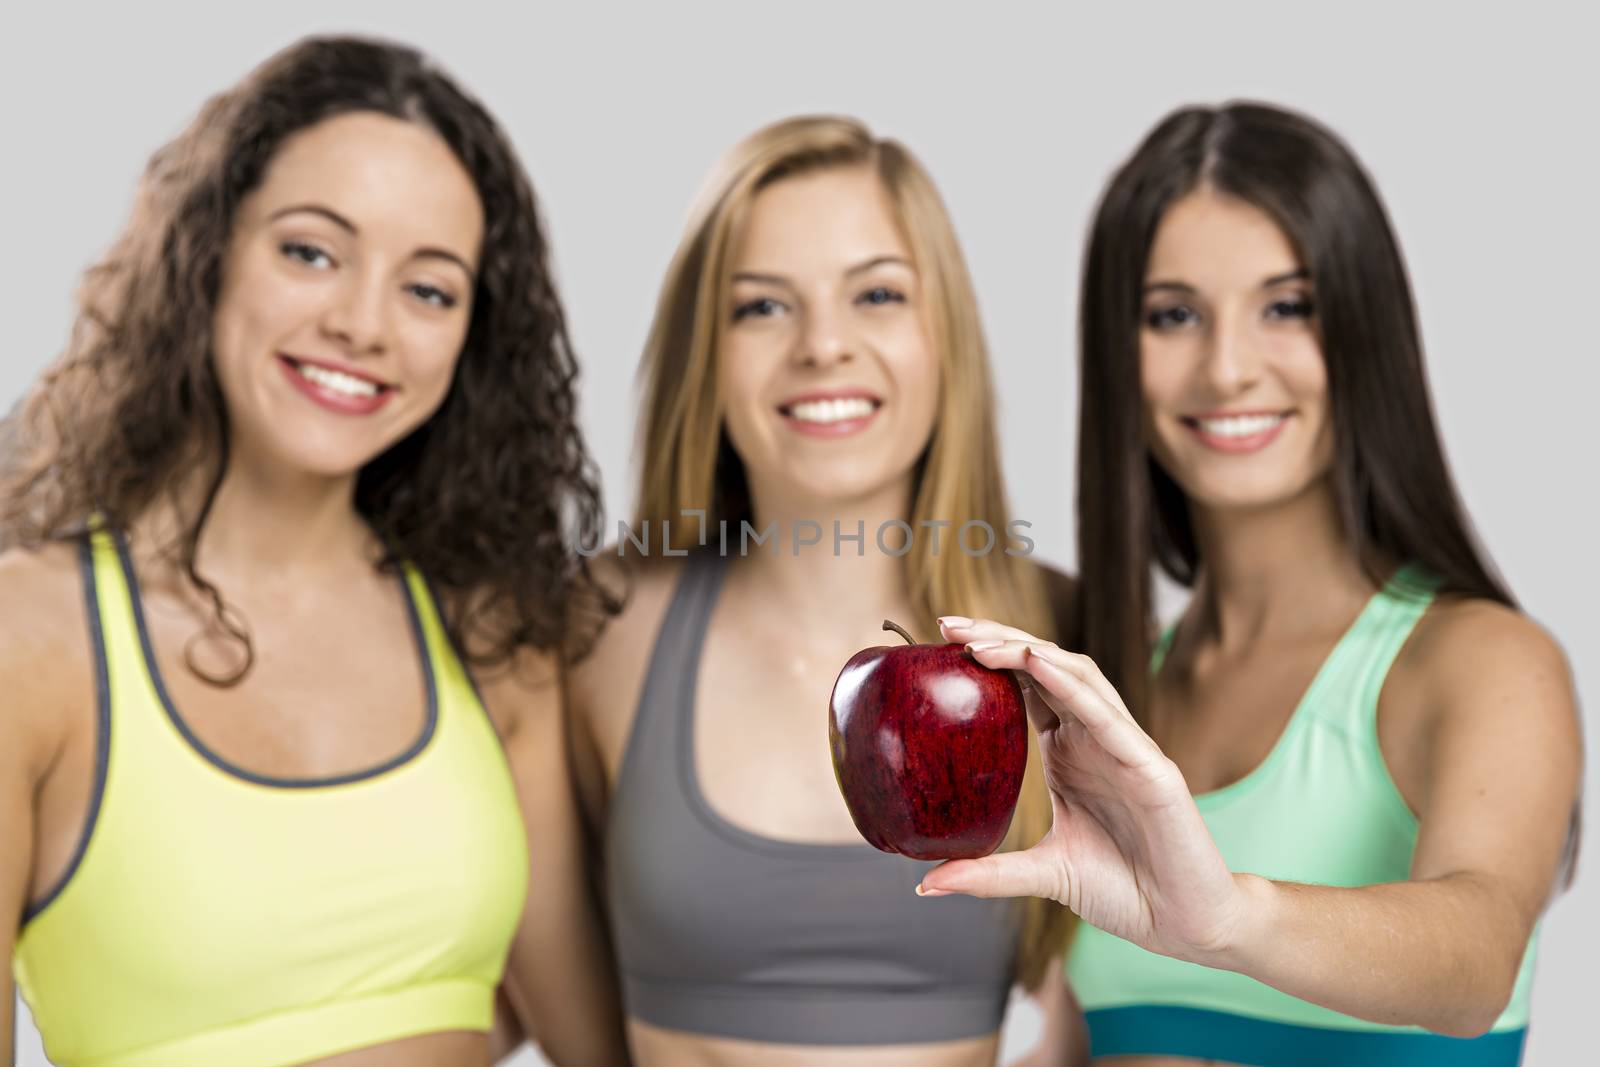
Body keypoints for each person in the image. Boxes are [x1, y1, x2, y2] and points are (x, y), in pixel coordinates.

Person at [2, 35, 627, 1067]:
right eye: (310, 251)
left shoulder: (486, 632)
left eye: (428, 290)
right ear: (204, 253)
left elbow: (602, 1044)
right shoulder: (30, 642)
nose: (362, 323)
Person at [922, 102, 1583, 1067]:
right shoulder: (1116, 693)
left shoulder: (1481, 661)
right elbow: (1076, 1047)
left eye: (1287, 305)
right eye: (1174, 315)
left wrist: (1228, 915)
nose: (1228, 368)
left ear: (1363, 330)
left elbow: (1479, 958)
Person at [565, 115, 1083, 1065]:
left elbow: (1111, 1007)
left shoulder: (1061, 638)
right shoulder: (598, 624)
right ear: (703, 353)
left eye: (877, 294)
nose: (823, 346)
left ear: (946, 335)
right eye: (762, 306)